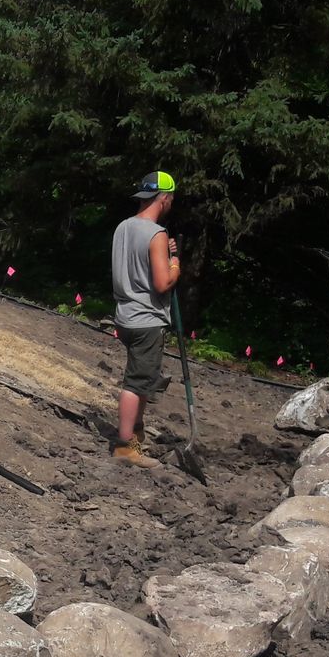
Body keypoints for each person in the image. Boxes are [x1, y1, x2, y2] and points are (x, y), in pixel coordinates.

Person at [109, 170, 180, 466]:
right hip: (146, 319)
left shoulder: (124, 227)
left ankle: (136, 438)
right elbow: (162, 283)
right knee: (136, 384)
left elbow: (137, 260)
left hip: (124, 315)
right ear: (163, 198)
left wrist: (165, 252)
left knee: (140, 379)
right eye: (171, 198)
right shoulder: (157, 234)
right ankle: (125, 447)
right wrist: (175, 265)